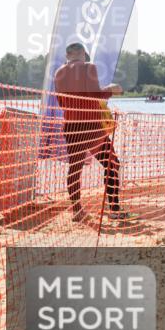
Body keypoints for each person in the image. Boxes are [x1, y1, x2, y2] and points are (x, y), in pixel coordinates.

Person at [53, 42, 126, 223]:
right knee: (112, 164)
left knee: (74, 169)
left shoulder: (58, 73)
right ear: (83, 54)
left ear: (67, 56)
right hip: (92, 127)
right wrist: (111, 89)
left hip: (71, 127)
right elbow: (94, 95)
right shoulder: (89, 67)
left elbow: (64, 102)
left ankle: (77, 211)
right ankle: (114, 210)